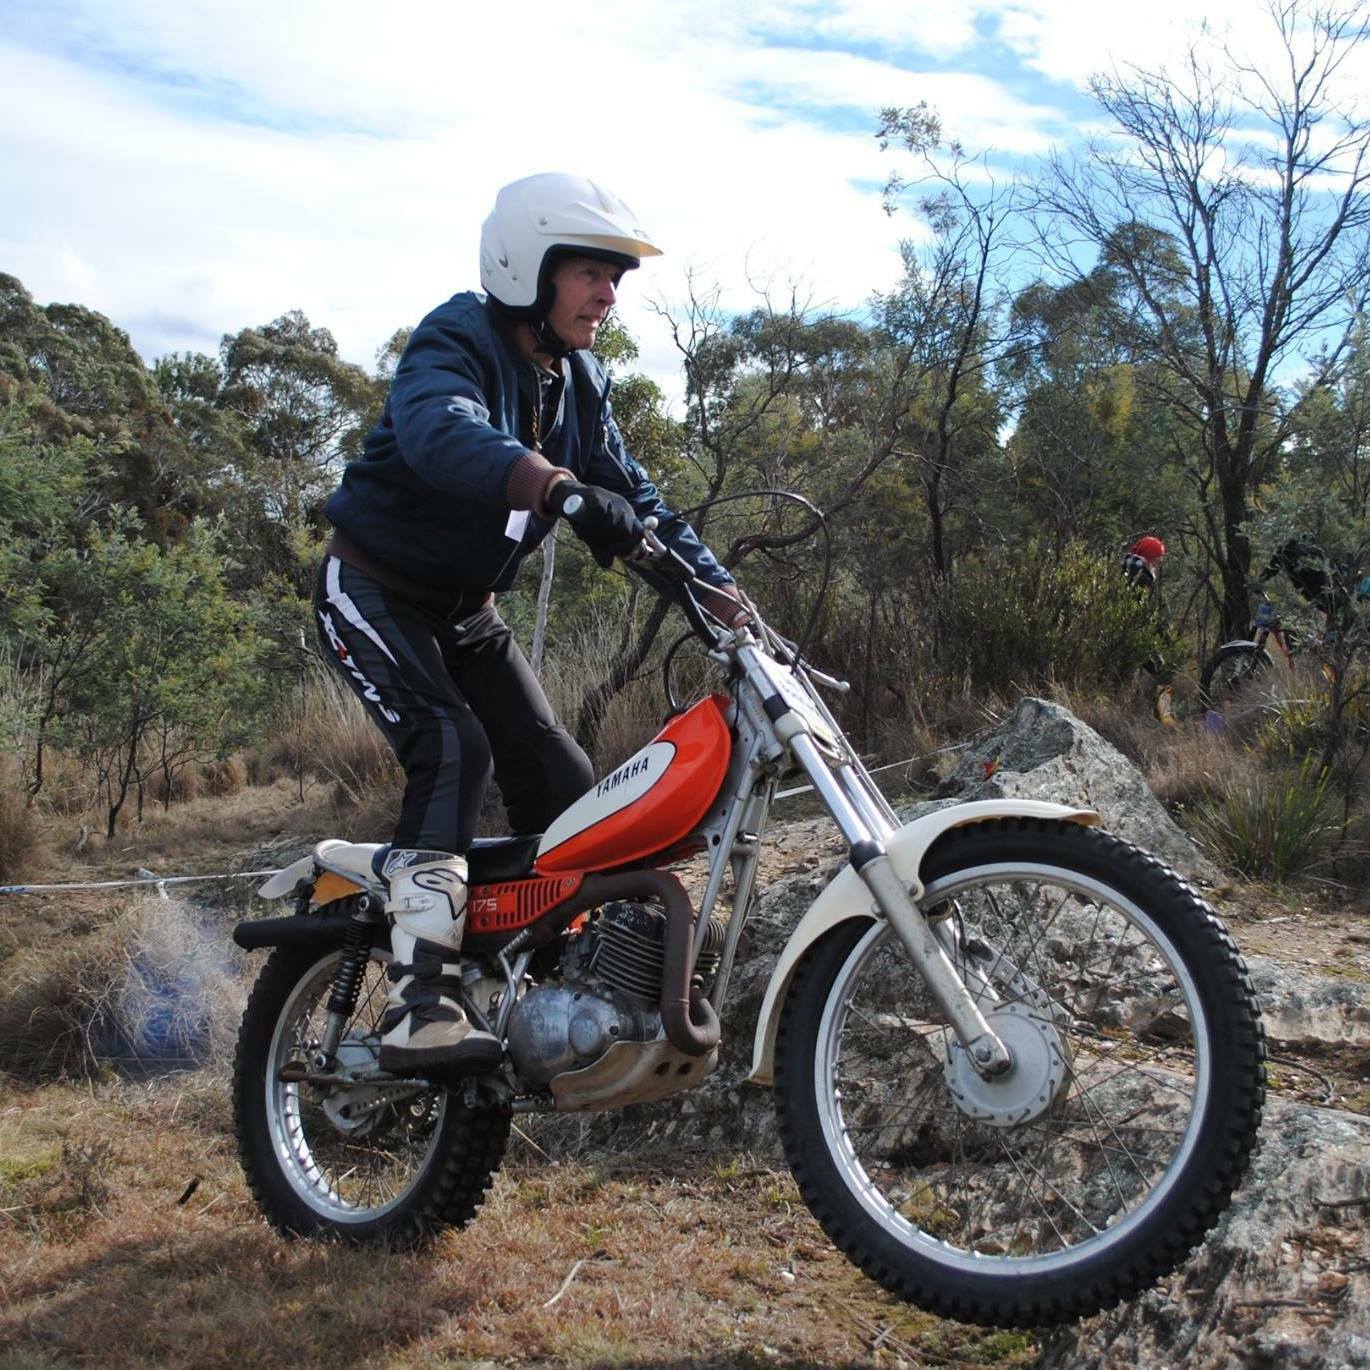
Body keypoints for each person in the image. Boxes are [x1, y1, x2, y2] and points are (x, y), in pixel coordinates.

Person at [315, 173, 747, 1077]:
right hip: (375, 589)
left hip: (467, 613)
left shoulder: (579, 384)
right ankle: (418, 1000)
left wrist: (726, 605)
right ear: (529, 267)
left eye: (617, 276)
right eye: (592, 271)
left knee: (564, 778)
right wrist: (553, 485)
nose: (610, 293)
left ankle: (542, 984)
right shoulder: (456, 338)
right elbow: (442, 431)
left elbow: (644, 505)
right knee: (452, 744)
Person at [1121, 535, 1175, 725]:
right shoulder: (1143, 578)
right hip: (1134, 635)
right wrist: (1161, 633)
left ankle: (1131, 711)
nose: (1159, 563)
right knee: (1163, 671)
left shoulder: (1127, 569)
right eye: (1158, 558)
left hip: (1120, 634)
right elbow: (1139, 611)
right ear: (1151, 557)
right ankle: (1165, 716)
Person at [1257, 533, 1354, 638]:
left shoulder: (1289, 551)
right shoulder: (1311, 549)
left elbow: (1271, 569)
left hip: (1319, 595)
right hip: (1325, 594)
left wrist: (1258, 582)